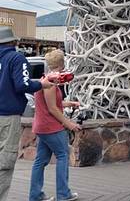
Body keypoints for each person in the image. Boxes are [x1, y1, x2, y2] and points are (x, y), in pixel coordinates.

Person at [0, 27, 57, 201]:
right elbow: (22, 84)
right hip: (8, 116)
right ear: (13, 42)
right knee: (5, 162)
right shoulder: (16, 58)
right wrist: (41, 84)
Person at [29, 50, 80, 201]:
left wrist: (69, 103)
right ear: (61, 64)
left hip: (41, 126)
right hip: (51, 127)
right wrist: (69, 124)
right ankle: (63, 194)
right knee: (63, 155)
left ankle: (35, 195)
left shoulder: (45, 80)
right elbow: (52, 108)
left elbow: (51, 103)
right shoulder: (51, 83)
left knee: (40, 160)